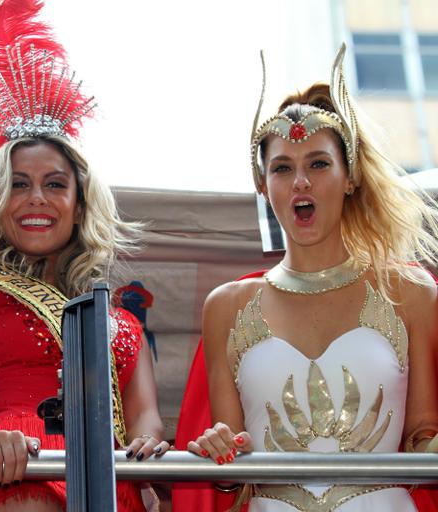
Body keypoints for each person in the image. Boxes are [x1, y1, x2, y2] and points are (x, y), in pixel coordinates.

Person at [0, 1, 169, 510]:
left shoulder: (121, 320)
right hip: (9, 467)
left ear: (78, 207)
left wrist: (146, 445)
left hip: (108, 480)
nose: (36, 198)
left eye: (55, 185)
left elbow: (145, 416)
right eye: (18, 185)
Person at [174, 45, 438, 511]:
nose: (300, 182)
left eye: (318, 163)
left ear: (350, 176)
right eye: (282, 168)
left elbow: (423, 438)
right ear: (263, 185)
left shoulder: (410, 293)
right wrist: (218, 453)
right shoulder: (227, 307)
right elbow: (230, 479)